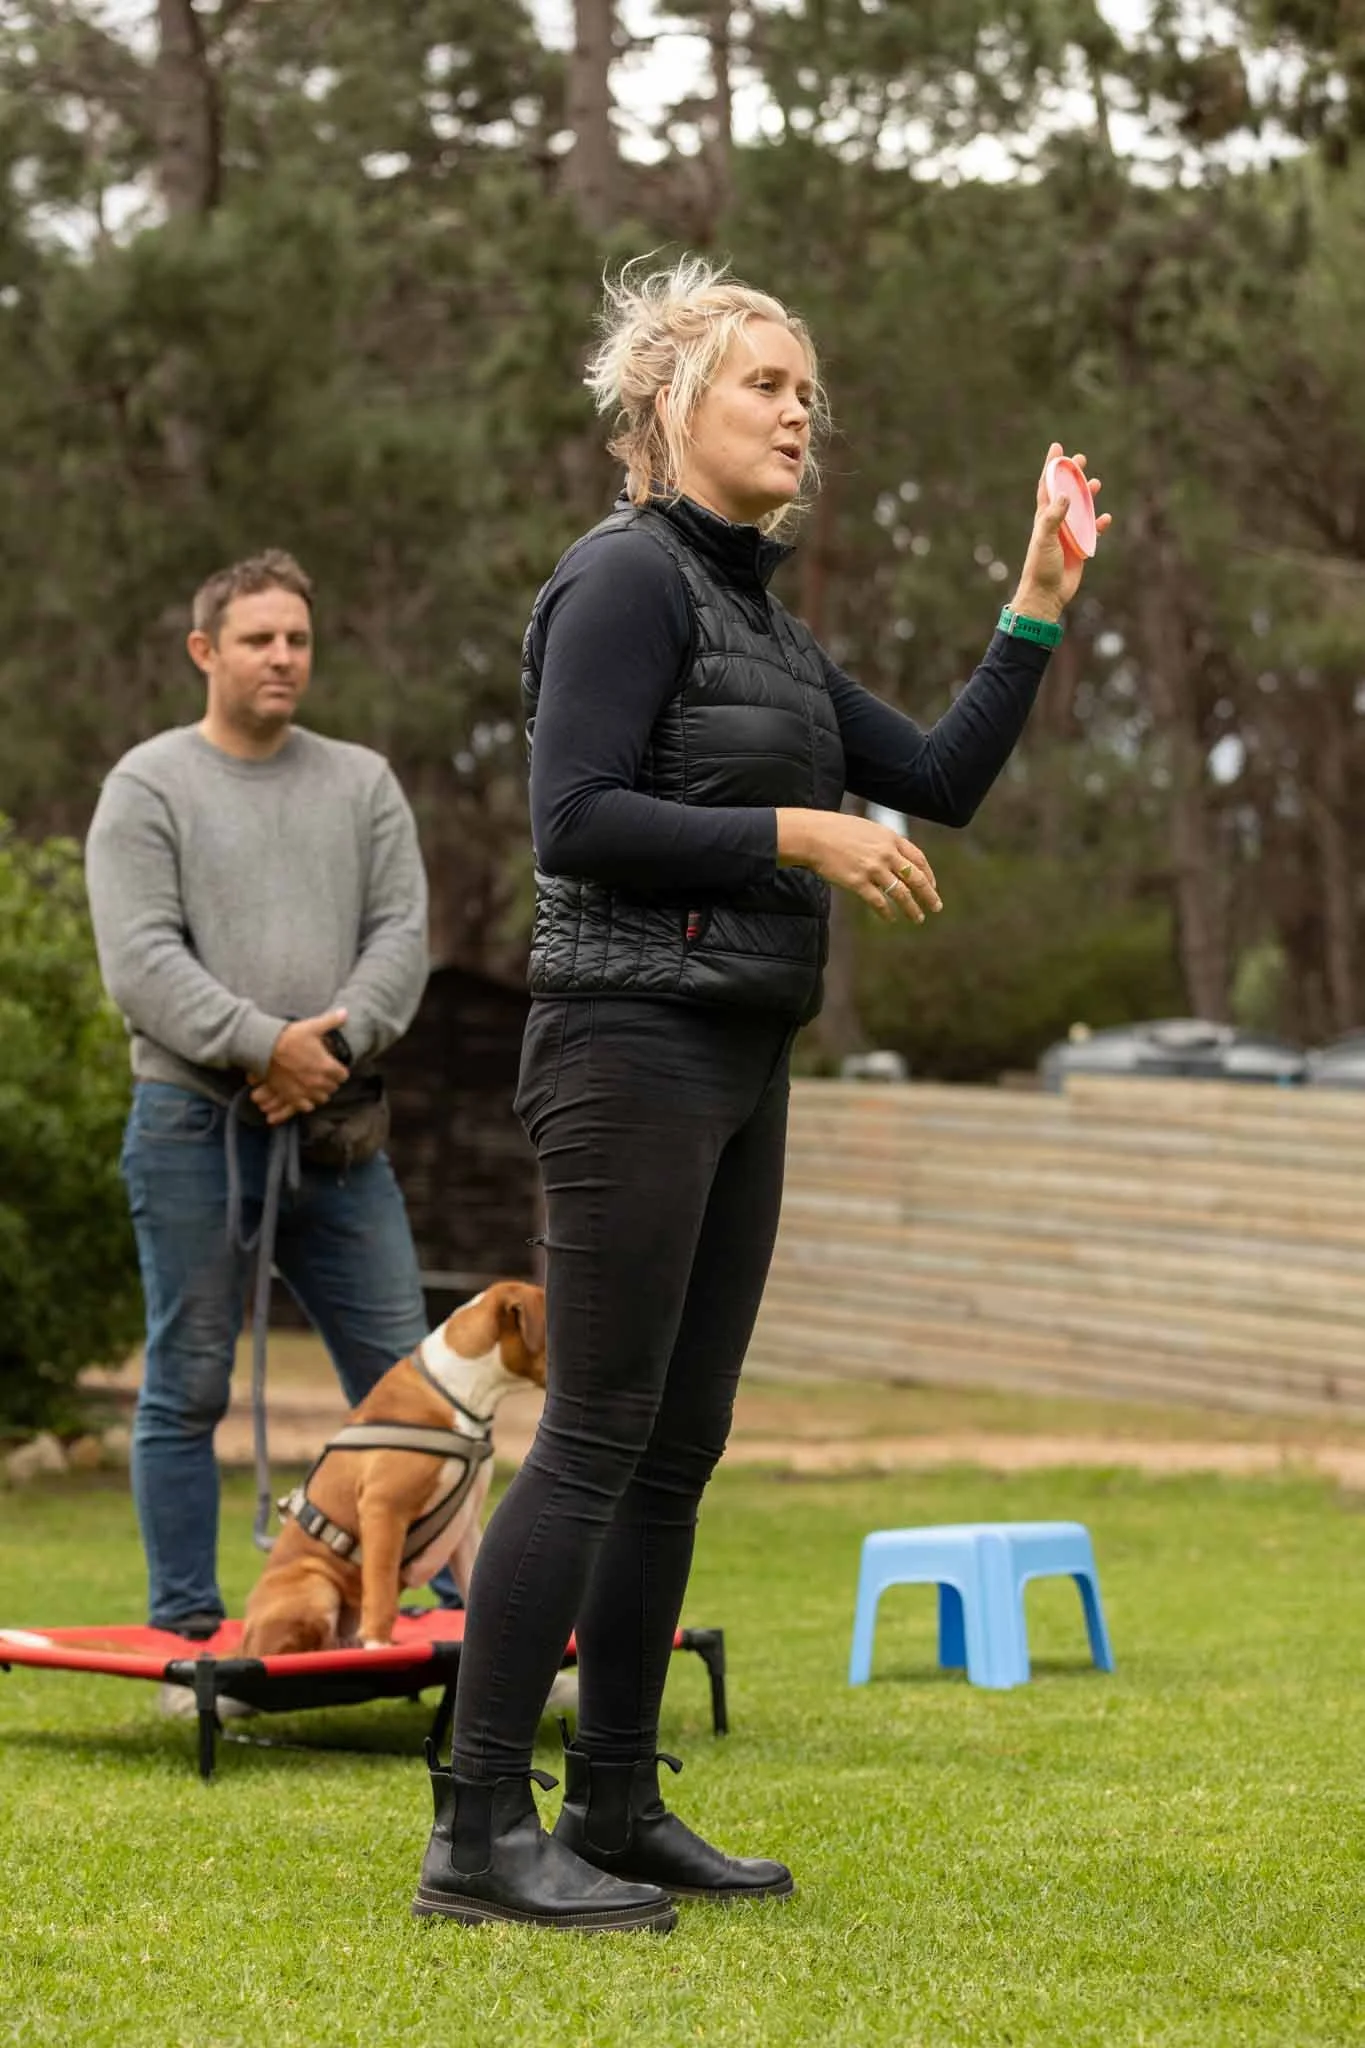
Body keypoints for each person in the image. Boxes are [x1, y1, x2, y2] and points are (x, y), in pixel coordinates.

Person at [411, 258, 1110, 1935]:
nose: (802, 410)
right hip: (623, 1045)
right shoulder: (622, 583)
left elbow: (935, 779)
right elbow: (574, 815)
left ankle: (619, 1801)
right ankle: (476, 1831)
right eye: (764, 383)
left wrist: (1033, 599)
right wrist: (798, 833)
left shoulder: (767, 634)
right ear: (668, 406)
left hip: (735, 1050)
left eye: (809, 389)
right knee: (593, 1434)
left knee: (675, 1450)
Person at [85, 549, 455, 1651]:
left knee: (415, 1389)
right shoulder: (149, 786)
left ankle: (466, 1615)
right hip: (192, 1126)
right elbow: (141, 959)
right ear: (206, 650)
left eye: (297, 636)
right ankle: (189, 1633)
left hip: (338, 1133)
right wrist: (261, 1044)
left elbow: (402, 937)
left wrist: (324, 1047)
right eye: (258, 638)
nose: (283, 655)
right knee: (186, 1381)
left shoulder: (362, 782)